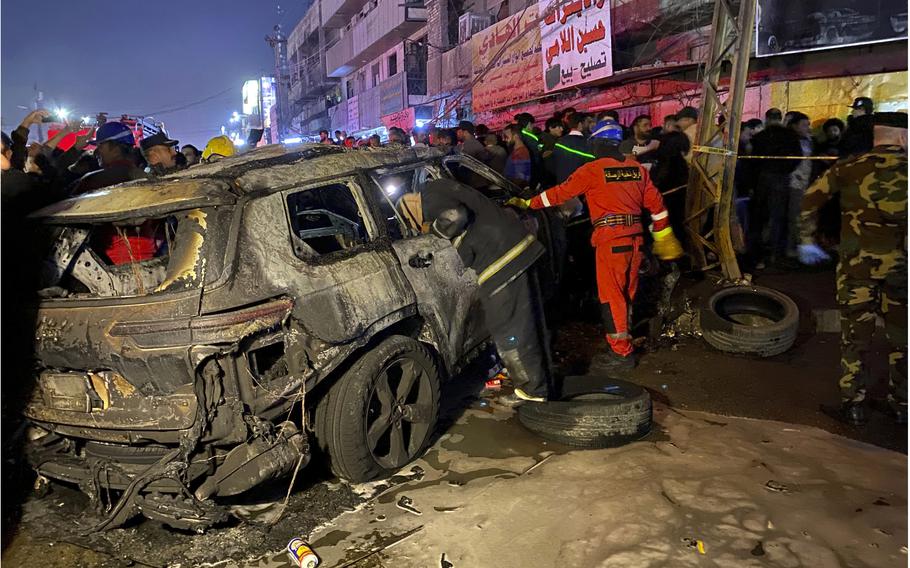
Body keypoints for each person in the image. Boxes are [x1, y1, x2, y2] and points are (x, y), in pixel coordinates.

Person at [514, 120, 683, 369]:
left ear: (598, 143)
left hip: (610, 241)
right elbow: (658, 208)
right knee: (626, 294)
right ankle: (623, 339)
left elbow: (560, 193)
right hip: (636, 241)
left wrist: (529, 204)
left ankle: (622, 354)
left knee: (611, 297)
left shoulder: (593, 170)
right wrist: (663, 237)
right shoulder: (637, 169)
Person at [798, 112, 907, 426]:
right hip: (901, 269)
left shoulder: (848, 167)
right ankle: (901, 404)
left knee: (855, 337)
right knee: (903, 338)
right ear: (901, 137)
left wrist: (807, 240)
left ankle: (854, 405)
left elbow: (810, 200)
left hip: (856, 267)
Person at [403, 178, 549, 405]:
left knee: (508, 327)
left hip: (501, 260)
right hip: (516, 248)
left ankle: (533, 391)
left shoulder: (428, 198)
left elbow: (455, 216)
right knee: (527, 322)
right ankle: (541, 379)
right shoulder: (441, 185)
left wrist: (434, 230)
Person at [745, 112, 802, 268]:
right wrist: (785, 170)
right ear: (780, 118)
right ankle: (775, 254)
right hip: (781, 179)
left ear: (767, 119)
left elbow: (752, 163)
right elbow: (798, 157)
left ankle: (757, 255)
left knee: (759, 218)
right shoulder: (790, 135)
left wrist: (752, 183)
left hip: (762, 179)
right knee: (778, 216)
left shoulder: (760, 137)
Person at [69, 122, 147, 195]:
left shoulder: (93, 180)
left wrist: (75, 148)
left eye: (100, 146)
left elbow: (59, 197)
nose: (96, 151)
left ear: (116, 150)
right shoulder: (144, 177)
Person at [785, 111, 815, 258]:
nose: (807, 127)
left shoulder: (809, 140)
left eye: (808, 124)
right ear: (795, 126)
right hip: (795, 183)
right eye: (804, 124)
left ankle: (802, 246)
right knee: (794, 216)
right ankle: (791, 247)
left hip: (808, 182)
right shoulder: (791, 141)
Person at [551, 112, 593, 184]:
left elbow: (554, 164)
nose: (588, 125)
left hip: (562, 184)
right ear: (580, 124)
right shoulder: (587, 143)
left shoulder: (559, 142)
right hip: (580, 185)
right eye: (587, 122)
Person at [502, 124, 532, 189]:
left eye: (506, 137)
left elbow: (520, 179)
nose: (503, 139)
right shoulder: (517, 151)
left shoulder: (520, 153)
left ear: (516, 137)